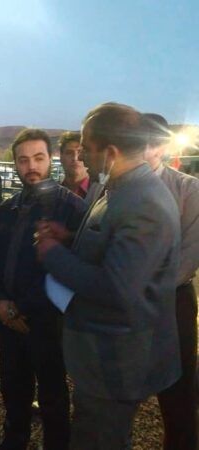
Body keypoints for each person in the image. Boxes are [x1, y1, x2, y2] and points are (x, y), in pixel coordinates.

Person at [36, 103, 181, 449]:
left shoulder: (143, 202)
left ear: (111, 153)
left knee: (101, 439)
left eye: (87, 148)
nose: (81, 156)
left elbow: (117, 287)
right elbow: (113, 245)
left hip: (117, 360)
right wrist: (70, 238)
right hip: (103, 354)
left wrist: (52, 254)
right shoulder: (121, 187)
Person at [0, 129, 86, 450]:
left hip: (48, 320)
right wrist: (0, 301)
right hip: (7, 315)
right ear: (14, 163)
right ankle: (14, 440)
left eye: (38, 158)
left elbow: (70, 271)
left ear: (50, 159)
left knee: (52, 392)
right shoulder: (7, 209)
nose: (31, 166)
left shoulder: (72, 209)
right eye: (23, 160)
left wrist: (20, 308)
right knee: (13, 386)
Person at [143, 112, 199, 450]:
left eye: (150, 142)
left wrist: (141, 286)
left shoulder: (188, 189)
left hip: (172, 301)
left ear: (163, 145)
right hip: (127, 299)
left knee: (178, 388)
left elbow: (189, 256)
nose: (143, 149)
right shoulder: (112, 186)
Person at [58, 131, 102, 204]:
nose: (75, 158)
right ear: (61, 157)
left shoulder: (100, 192)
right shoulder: (53, 194)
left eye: (80, 152)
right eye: (69, 153)